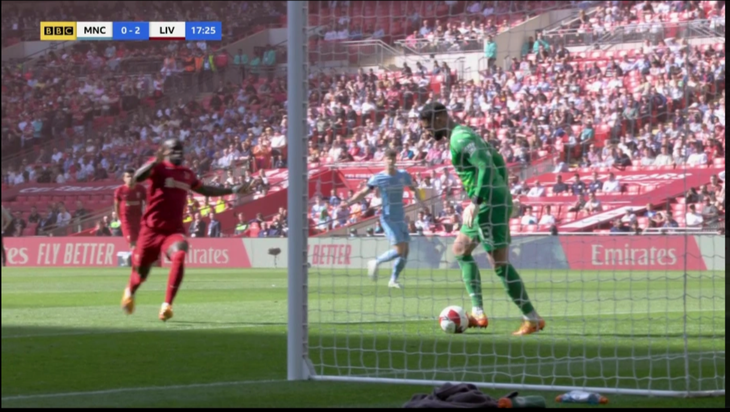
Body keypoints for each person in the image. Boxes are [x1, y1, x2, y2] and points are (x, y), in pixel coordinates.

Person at [419, 102, 543, 335]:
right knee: (460, 249)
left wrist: (477, 200)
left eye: (427, 127)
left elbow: (486, 165)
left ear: (439, 119)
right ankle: (478, 312)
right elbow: (498, 162)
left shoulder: (459, 138)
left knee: (499, 264)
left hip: (487, 203)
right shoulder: (465, 134)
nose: (426, 132)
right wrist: (501, 190)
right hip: (492, 199)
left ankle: (531, 318)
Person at [121, 139, 257, 322]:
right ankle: (130, 291)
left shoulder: (187, 174)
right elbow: (137, 177)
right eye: (173, 150)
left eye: (180, 150)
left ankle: (167, 305)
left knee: (180, 254)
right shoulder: (159, 168)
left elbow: (205, 189)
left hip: (173, 230)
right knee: (141, 274)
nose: (178, 153)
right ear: (166, 152)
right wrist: (155, 160)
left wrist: (233, 189)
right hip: (151, 230)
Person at [345, 149, 426, 289]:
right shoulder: (378, 178)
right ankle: (376, 262)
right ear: (384, 160)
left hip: (400, 218)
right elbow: (363, 192)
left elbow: (413, 188)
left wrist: (421, 201)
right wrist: (349, 202)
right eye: (388, 158)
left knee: (405, 251)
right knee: (400, 249)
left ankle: (393, 280)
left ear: (396, 160)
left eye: (393, 158)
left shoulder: (403, 175)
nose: (391, 161)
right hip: (388, 218)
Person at [114, 169, 148, 250]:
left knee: (140, 243)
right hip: (126, 220)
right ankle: (134, 261)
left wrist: (147, 215)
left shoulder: (141, 189)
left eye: (132, 176)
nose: (130, 178)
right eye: (128, 176)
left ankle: (138, 260)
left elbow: (147, 203)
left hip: (139, 220)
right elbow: (116, 205)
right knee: (132, 242)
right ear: (124, 178)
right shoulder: (120, 190)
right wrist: (119, 219)